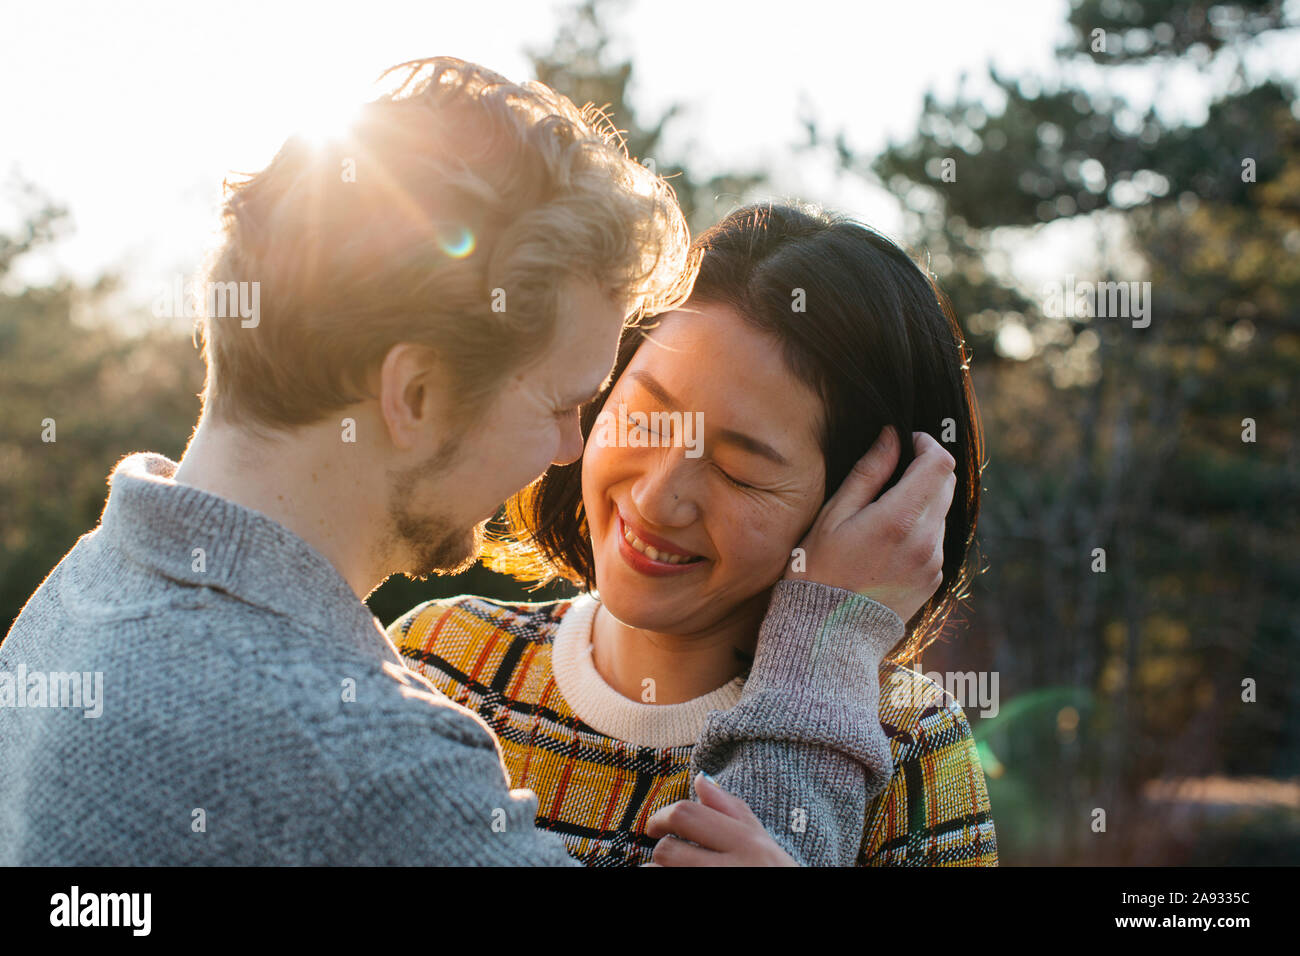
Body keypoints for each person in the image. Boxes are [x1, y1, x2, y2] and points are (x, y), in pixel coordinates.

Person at [0, 61, 949, 866]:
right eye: (559, 402)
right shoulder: (376, 764)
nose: (574, 450)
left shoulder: (75, 600)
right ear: (413, 398)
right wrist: (826, 656)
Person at [390, 202, 998, 866]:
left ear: (870, 508)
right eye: (646, 417)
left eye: (739, 471)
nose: (656, 498)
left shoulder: (908, 745)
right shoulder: (440, 660)